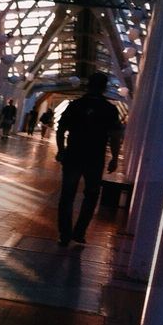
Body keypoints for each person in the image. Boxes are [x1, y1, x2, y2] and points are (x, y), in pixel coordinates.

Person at [55, 73, 122, 246]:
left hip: (73, 155)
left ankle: (64, 234)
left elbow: (61, 129)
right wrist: (114, 158)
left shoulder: (75, 105)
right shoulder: (110, 109)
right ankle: (79, 232)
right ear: (105, 87)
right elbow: (115, 136)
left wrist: (61, 150)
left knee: (67, 195)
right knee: (91, 195)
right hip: (95, 157)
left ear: (88, 85)